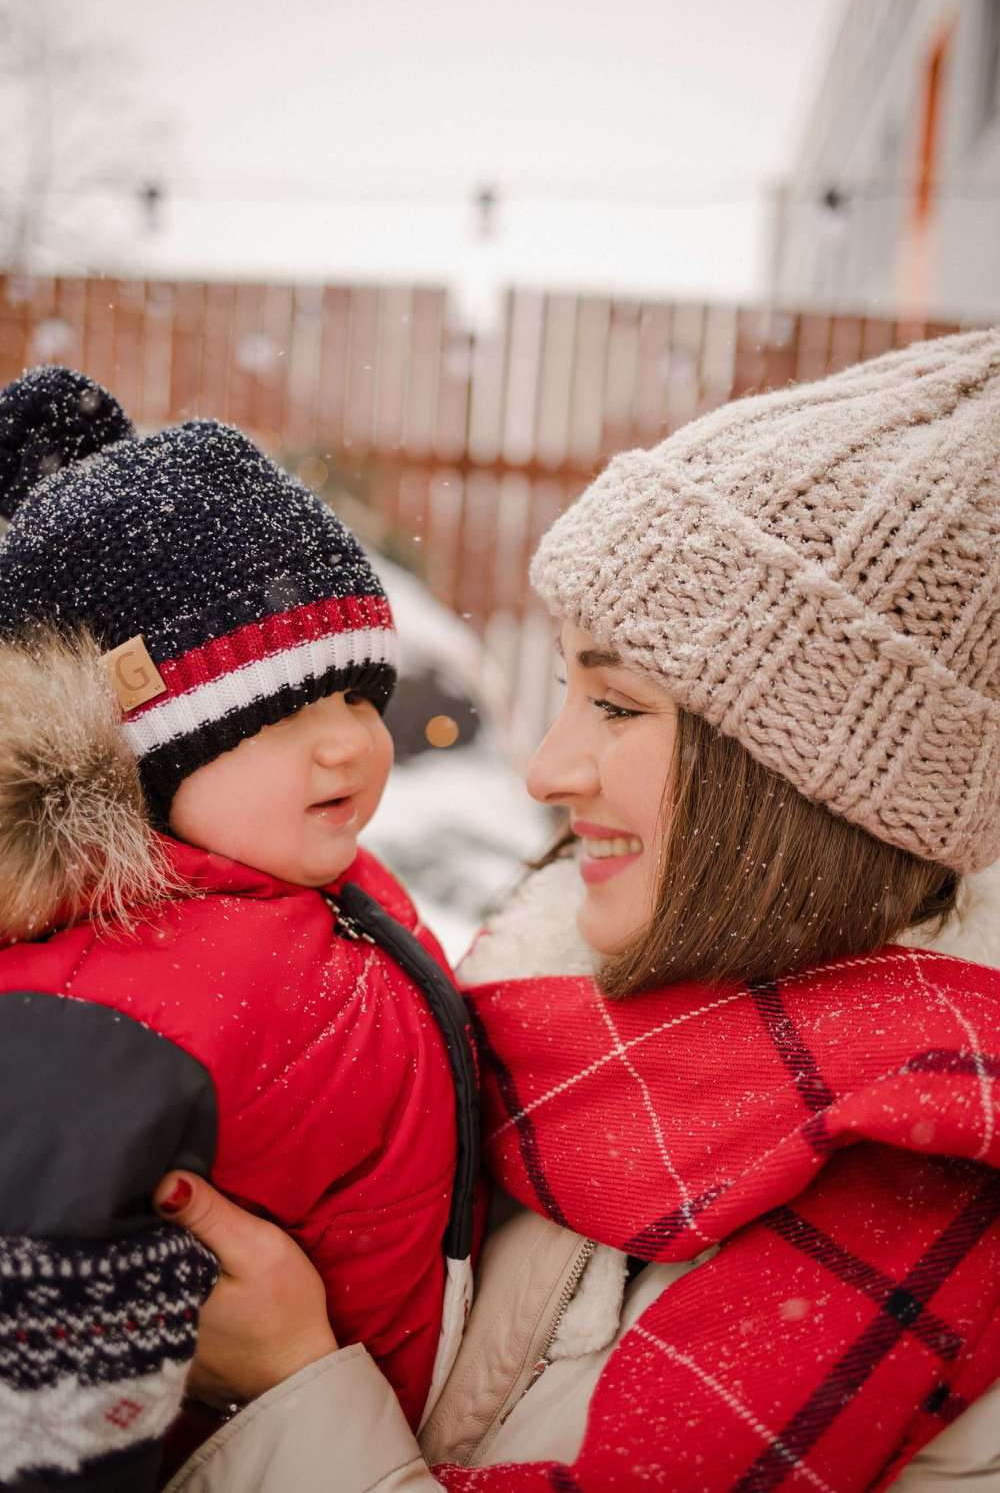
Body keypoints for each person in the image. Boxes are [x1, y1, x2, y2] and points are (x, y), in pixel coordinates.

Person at [152, 326, 1000, 1491]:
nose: (545, 770)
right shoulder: (539, 1033)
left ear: (806, 781)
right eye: (565, 692)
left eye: (617, 706)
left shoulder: (944, 1219)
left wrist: (293, 1381)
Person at [0, 367, 479, 1491]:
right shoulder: (97, 1003)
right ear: (137, 755)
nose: (352, 747)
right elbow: (37, 1375)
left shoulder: (307, 882)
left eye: (361, 696)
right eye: (285, 713)